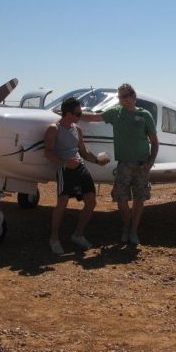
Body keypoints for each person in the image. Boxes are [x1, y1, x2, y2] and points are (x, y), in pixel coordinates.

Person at [82, 83, 158, 245]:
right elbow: (93, 117)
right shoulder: (115, 113)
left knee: (139, 199)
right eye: (119, 97)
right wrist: (68, 114)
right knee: (120, 199)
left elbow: (154, 142)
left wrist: (150, 162)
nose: (120, 99)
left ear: (133, 97)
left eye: (123, 96)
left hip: (142, 164)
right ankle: (126, 226)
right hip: (124, 164)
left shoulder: (145, 115)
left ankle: (133, 231)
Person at [44, 97, 109, 255]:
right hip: (65, 169)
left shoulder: (77, 129)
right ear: (67, 113)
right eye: (77, 113)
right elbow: (48, 152)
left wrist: (97, 161)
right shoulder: (54, 129)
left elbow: (83, 152)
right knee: (62, 204)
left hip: (80, 167)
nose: (80, 116)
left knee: (91, 202)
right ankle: (54, 239)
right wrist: (65, 164)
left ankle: (78, 234)